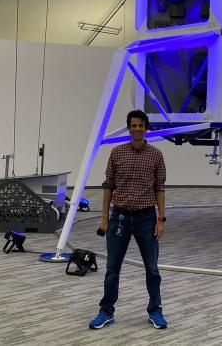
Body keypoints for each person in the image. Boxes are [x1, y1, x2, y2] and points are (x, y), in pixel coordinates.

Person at [89, 109, 168, 329]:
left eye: (141, 125)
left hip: (146, 219)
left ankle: (155, 311)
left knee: (152, 269)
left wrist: (161, 219)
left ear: (146, 128)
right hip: (120, 218)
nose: (137, 129)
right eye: (133, 125)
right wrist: (104, 218)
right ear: (129, 127)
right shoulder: (116, 153)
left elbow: (160, 189)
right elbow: (108, 187)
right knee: (112, 269)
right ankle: (106, 312)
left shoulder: (156, 155)